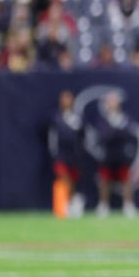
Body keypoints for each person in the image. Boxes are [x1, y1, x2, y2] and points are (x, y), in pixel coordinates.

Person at [88, 92, 138, 217]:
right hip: (108, 154)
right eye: (110, 101)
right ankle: (103, 205)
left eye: (114, 101)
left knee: (126, 179)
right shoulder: (103, 119)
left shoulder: (125, 118)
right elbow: (103, 135)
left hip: (121, 153)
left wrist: (114, 133)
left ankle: (128, 205)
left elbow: (129, 134)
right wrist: (115, 132)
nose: (112, 104)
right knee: (104, 179)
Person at [48, 89, 85, 218]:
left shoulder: (77, 117)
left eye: (68, 98)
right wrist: (54, 153)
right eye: (64, 99)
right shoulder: (56, 117)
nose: (66, 101)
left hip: (74, 155)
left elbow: (82, 136)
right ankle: (65, 204)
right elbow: (52, 137)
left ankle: (72, 203)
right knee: (64, 178)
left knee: (73, 181)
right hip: (61, 154)